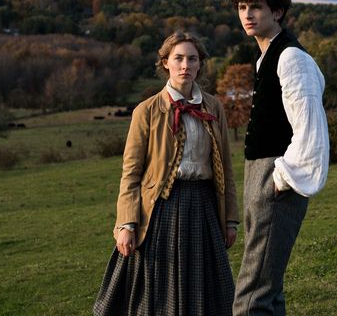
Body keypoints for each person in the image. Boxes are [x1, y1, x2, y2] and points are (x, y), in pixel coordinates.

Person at [93, 31, 239, 316]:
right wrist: (126, 224)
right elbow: (131, 173)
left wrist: (230, 219)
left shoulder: (213, 107)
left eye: (192, 59)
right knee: (157, 295)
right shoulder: (146, 111)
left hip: (204, 207)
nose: (185, 65)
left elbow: (227, 169)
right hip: (161, 210)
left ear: (200, 65)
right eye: (179, 58)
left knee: (209, 293)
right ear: (165, 63)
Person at [228, 0, 330, 315]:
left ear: (278, 12)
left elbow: (311, 131)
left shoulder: (291, 58)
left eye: (256, 7)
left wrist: (281, 179)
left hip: (277, 178)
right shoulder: (266, 57)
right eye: (242, 7)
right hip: (261, 175)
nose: (247, 15)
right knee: (268, 292)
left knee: (251, 297)